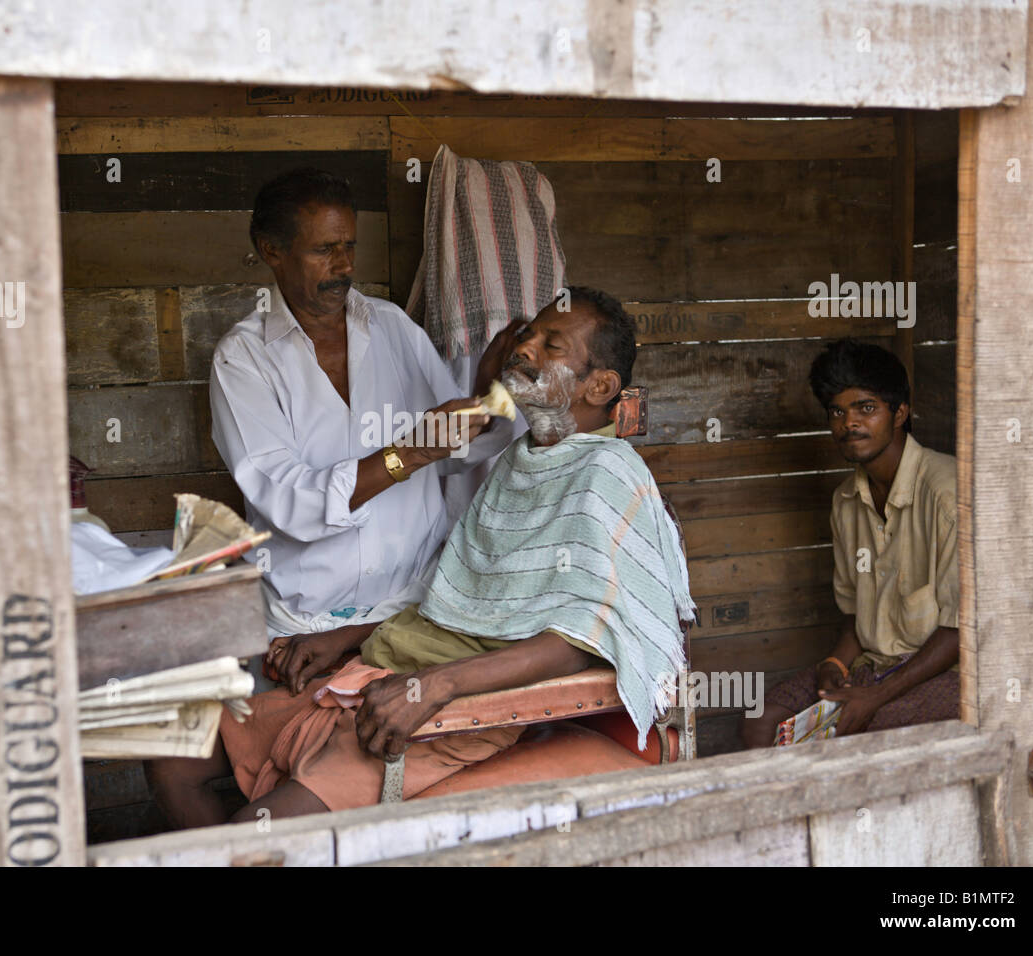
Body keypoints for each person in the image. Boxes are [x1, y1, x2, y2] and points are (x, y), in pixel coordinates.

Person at [147, 287, 694, 827]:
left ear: (600, 385)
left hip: (454, 707)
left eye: (553, 346)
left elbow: (579, 640)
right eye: (528, 335)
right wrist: (344, 638)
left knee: (252, 835)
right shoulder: (521, 461)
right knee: (172, 757)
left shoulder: (605, 475)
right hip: (391, 660)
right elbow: (467, 606)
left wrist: (435, 687)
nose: (524, 349)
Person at [206, 166, 520, 674]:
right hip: (303, 624)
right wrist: (410, 452)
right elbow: (290, 501)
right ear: (272, 251)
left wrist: (488, 399)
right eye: (323, 249)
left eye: (350, 245)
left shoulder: (393, 327)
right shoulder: (243, 360)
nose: (344, 265)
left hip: (409, 610)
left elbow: (455, 456)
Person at [743, 339, 959, 748]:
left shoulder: (946, 493)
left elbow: (960, 632)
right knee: (761, 718)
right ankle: (787, 813)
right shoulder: (845, 501)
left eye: (866, 408)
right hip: (871, 667)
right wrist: (833, 662)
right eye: (837, 412)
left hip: (949, 675)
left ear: (900, 413)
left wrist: (876, 695)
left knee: (857, 734)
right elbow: (856, 616)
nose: (849, 423)